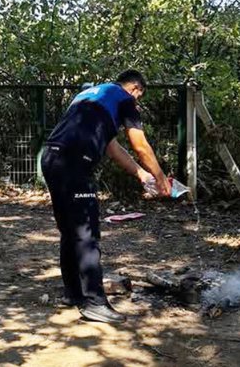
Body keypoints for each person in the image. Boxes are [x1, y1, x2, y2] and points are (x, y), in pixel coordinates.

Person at [40, 70, 171, 323]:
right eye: (139, 96)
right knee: (87, 234)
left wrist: (143, 175)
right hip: (75, 161)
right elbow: (140, 145)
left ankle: (73, 294)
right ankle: (94, 303)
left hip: (51, 157)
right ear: (134, 89)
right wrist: (162, 178)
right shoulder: (124, 98)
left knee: (70, 231)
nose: (138, 102)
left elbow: (114, 149)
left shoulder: (89, 96)